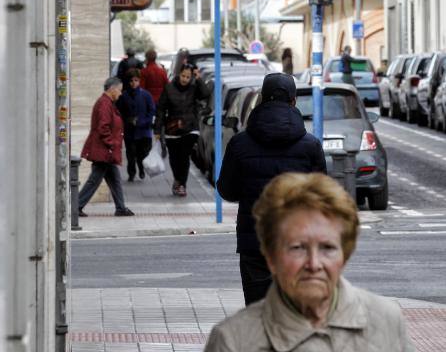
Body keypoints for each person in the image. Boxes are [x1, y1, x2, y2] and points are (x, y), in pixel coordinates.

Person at [205, 172, 415, 352]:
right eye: (298, 248)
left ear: (345, 254)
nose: (314, 264)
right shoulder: (232, 340)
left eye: (328, 248)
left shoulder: (387, 320)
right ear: (271, 257)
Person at [217, 72, 327, 305]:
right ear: (294, 101)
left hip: (255, 242)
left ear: (261, 99)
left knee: (258, 311)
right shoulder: (311, 146)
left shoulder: (240, 143)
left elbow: (227, 190)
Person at [78, 76, 134, 217]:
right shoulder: (104, 104)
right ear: (112, 89)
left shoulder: (107, 103)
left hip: (105, 150)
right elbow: (103, 127)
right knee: (94, 180)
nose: (121, 94)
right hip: (103, 150)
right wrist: (112, 143)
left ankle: (120, 208)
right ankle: (76, 205)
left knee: (114, 179)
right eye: (120, 90)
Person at [154, 63, 210, 197]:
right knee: (174, 159)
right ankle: (177, 180)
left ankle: (181, 185)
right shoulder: (169, 88)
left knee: (184, 157)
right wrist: (157, 129)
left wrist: (199, 78)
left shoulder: (194, 87)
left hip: (189, 128)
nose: (185, 79)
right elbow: (161, 109)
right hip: (172, 129)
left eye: (188, 77)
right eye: (183, 76)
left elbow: (205, 94)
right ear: (179, 74)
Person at [117, 68, 156, 182]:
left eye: (136, 80)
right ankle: (131, 172)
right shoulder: (123, 96)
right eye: (131, 81)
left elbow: (151, 111)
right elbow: (119, 112)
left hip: (143, 131)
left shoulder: (146, 95)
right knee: (130, 154)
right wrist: (126, 121)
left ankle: (141, 169)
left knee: (142, 153)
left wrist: (143, 122)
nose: (134, 83)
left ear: (139, 81)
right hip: (130, 131)